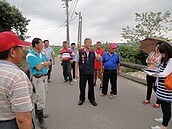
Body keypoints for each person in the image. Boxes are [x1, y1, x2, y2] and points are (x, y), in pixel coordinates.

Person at [0, 31, 33, 129]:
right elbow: (22, 118)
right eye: (21, 48)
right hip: (8, 123)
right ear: (12, 52)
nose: (22, 52)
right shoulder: (17, 77)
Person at [26, 38, 50, 129]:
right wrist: (44, 63)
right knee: (41, 98)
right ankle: (40, 120)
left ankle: (39, 113)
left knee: (42, 96)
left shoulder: (41, 53)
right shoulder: (31, 55)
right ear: (36, 45)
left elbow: (49, 62)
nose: (42, 45)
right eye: (41, 44)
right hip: (38, 78)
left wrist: (42, 63)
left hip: (44, 77)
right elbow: (38, 68)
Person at [151, 42, 172, 129]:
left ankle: (164, 126)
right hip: (161, 87)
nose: (162, 54)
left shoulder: (171, 60)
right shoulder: (165, 60)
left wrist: (154, 74)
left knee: (166, 106)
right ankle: (164, 119)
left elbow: (164, 74)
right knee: (163, 105)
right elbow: (160, 69)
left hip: (167, 88)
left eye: (162, 52)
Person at [75, 38, 100, 106]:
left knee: (91, 86)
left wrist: (99, 57)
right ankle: (82, 99)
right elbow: (76, 62)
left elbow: (97, 59)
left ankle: (92, 99)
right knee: (82, 86)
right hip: (83, 72)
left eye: (91, 43)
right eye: (89, 43)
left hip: (91, 72)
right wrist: (76, 72)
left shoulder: (93, 52)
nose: (90, 44)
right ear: (85, 43)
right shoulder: (80, 52)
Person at [143, 42, 162, 108]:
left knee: (156, 87)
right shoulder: (152, 53)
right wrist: (149, 62)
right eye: (156, 47)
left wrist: (154, 63)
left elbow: (161, 65)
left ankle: (158, 101)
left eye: (159, 47)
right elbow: (146, 60)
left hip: (156, 73)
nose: (157, 48)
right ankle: (147, 99)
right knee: (149, 86)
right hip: (149, 72)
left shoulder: (162, 56)